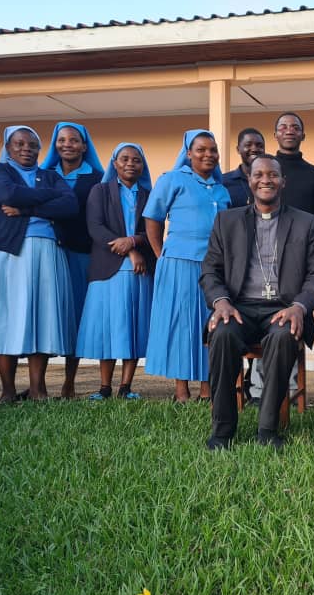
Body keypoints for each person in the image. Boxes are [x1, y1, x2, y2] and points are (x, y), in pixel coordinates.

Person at [202, 156, 314, 449]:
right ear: (250, 180)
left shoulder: (305, 222)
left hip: (283, 308)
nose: (266, 180)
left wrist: (299, 306)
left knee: (283, 338)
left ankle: (268, 429)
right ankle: (222, 430)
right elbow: (210, 269)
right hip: (238, 307)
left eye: (273, 175)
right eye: (259, 174)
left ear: (283, 181)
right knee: (221, 335)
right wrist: (220, 302)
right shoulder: (227, 220)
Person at [0, 126, 78, 402]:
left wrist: (28, 209)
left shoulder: (50, 175)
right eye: (19, 144)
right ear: (8, 147)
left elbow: (70, 205)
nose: (26, 148)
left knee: (43, 319)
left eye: (33, 145)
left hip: (48, 252)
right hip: (8, 254)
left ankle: (38, 389)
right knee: (7, 319)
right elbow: (7, 194)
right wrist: (48, 197)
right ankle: (8, 390)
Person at [144, 129, 231, 403]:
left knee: (211, 322)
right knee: (182, 324)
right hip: (180, 262)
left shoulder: (221, 188)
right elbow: (153, 218)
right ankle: (181, 389)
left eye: (213, 150)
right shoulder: (172, 180)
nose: (208, 154)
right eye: (201, 149)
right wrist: (161, 253)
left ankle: (207, 387)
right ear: (188, 153)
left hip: (215, 266)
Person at [75, 143, 155, 400]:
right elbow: (95, 227)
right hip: (107, 268)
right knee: (107, 328)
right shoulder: (100, 191)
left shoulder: (148, 195)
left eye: (136, 160)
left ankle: (126, 387)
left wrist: (134, 242)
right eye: (124, 159)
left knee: (133, 327)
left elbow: (154, 230)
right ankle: (104, 386)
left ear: (142, 165)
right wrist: (129, 249)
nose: (130, 163)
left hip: (138, 271)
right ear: (114, 163)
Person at [40, 122, 105, 398]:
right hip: (48, 252)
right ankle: (38, 384)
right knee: (45, 314)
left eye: (74, 140)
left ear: (84, 145)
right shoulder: (43, 175)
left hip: (81, 255)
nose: (67, 144)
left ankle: (69, 382)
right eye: (61, 140)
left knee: (74, 315)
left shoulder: (97, 177)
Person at [273, 112, 314, 235]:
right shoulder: (266, 172)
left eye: (295, 128)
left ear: (303, 136)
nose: (289, 131)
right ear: (275, 135)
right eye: (283, 127)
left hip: (304, 243)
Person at [221, 128, 266, 208]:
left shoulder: (270, 181)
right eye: (248, 145)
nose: (254, 149)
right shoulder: (224, 182)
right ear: (238, 149)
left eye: (259, 145)